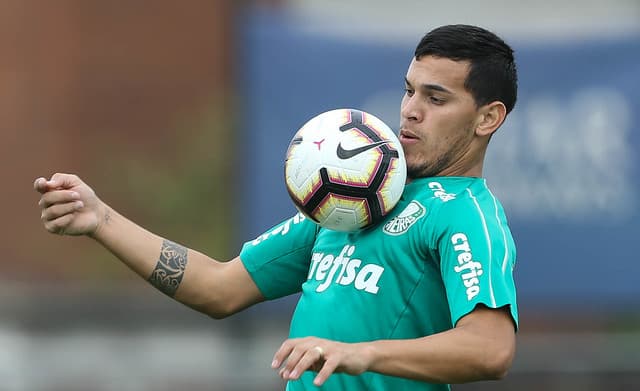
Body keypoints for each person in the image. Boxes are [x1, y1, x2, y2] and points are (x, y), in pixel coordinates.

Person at [34, 24, 519, 390]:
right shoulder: (354, 197)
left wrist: (361, 354)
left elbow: (490, 348)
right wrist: (101, 219)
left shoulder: (465, 215)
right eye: (409, 90)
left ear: (487, 118)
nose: (411, 109)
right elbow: (218, 289)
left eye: (436, 98)